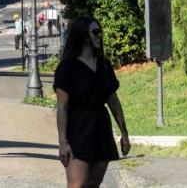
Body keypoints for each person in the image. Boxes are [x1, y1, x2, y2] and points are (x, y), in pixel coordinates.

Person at [55, 16, 130, 188]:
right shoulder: (67, 68)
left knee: (94, 183)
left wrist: (124, 133)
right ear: (82, 35)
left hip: (100, 127)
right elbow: (62, 107)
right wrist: (63, 142)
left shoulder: (104, 65)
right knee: (77, 184)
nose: (99, 36)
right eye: (95, 32)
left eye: (100, 32)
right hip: (78, 128)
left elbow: (114, 102)